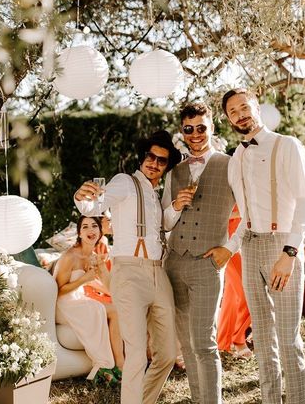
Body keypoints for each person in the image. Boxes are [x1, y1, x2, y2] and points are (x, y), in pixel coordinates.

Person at [222, 87, 305, 404]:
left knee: (287, 338)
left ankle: (298, 400)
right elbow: (245, 215)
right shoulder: (235, 158)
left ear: (256, 107)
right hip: (250, 248)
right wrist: (229, 248)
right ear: (229, 119)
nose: (239, 114)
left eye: (244, 107)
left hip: (282, 246)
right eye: (232, 112)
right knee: (261, 337)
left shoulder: (287, 146)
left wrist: (290, 253)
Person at [74, 130, 182, 404]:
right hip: (130, 273)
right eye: (151, 156)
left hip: (159, 274)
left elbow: (163, 226)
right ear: (143, 156)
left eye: (162, 160)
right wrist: (82, 198)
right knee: (135, 354)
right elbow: (96, 204)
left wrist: (177, 207)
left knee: (168, 354)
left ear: (166, 166)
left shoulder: (155, 194)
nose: (155, 163)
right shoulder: (124, 182)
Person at [161, 102, 235, 404]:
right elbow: (164, 222)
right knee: (187, 344)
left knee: (204, 342)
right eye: (188, 129)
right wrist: (176, 206)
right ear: (182, 131)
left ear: (212, 128)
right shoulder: (174, 171)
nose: (195, 134)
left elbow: (252, 215)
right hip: (175, 262)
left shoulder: (231, 165)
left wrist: (229, 250)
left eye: (201, 128)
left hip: (207, 265)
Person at [53, 215, 124, 382]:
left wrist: (101, 267)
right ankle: (119, 365)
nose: (90, 230)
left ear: (100, 232)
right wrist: (84, 279)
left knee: (116, 308)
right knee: (114, 312)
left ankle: (119, 364)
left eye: (94, 226)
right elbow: (59, 290)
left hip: (78, 299)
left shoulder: (93, 255)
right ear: (79, 233)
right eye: (85, 227)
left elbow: (107, 286)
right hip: (63, 305)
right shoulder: (70, 256)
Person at [217, 205, 253, 359]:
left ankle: (223, 341)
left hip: (243, 235)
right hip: (226, 239)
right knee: (248, 290)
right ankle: (238, 338)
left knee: (232, 294)